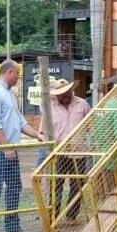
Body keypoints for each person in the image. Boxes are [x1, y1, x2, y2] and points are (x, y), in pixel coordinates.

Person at [0, 59, 41, 232]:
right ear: (9, 72)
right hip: (0, 150)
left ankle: (12, 227)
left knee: (15, 187)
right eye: (17, 74)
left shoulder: (10, 94)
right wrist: (5, 147)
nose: (19, 78)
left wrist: (37, 135)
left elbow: (20, 121)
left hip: (10, 149)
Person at [37, 79, 91, 223]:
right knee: (56, 185)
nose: (65, 96)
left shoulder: (83, 104)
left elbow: (89, 125)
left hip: (79, 151)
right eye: (60, 94)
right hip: (58, 152)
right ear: (55, 95)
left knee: (77, 184)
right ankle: (53, 217)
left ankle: (72, 216)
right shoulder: (49, 107)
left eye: (66, 92)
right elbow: (42, 133)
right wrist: (48, 145)